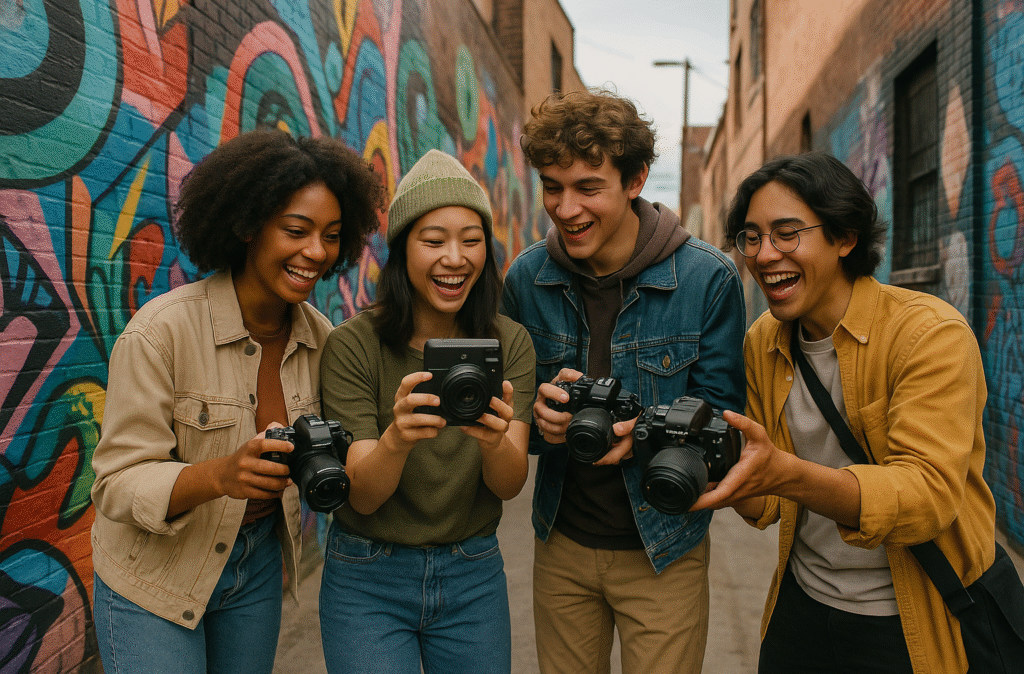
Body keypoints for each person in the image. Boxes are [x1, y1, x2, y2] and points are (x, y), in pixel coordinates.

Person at [89, 129, 385, 674]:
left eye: (331, 236)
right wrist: (221, 475)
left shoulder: (324, 342)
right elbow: (115, 483)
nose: (316, 252)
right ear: (248, 226)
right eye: (296, 230)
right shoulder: (161, 332)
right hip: (154, 577)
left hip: (256, 570)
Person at [692, 151, 997, 673]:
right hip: (801, 606)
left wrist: (786, 473)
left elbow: (927, 496)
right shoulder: (764, 340)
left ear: (845, 237)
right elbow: (767, 504)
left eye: (787, 233)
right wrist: (711, 460)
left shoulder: (929, 335)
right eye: (752, 237)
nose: (764, 255)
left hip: (907, 618)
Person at [500, 88, 746, 674]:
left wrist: (645, 436)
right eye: (552, 187)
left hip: (665, 547)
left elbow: (724, 428)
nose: (565, 208)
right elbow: (509, 420)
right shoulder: (527, 278)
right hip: (562, 544)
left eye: (588, 188)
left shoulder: (706, 279)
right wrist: (538, 420)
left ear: (635, 181)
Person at [317, 149, 536, 674]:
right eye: (434, 241)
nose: (455, 259)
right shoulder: (353, 345)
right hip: (367, 573)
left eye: (471, 240)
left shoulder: (510, 343)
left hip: (472, 573)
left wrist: (492, 440)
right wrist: (396, 439)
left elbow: (509, 484)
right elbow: (363, 496)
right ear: (402, 250)